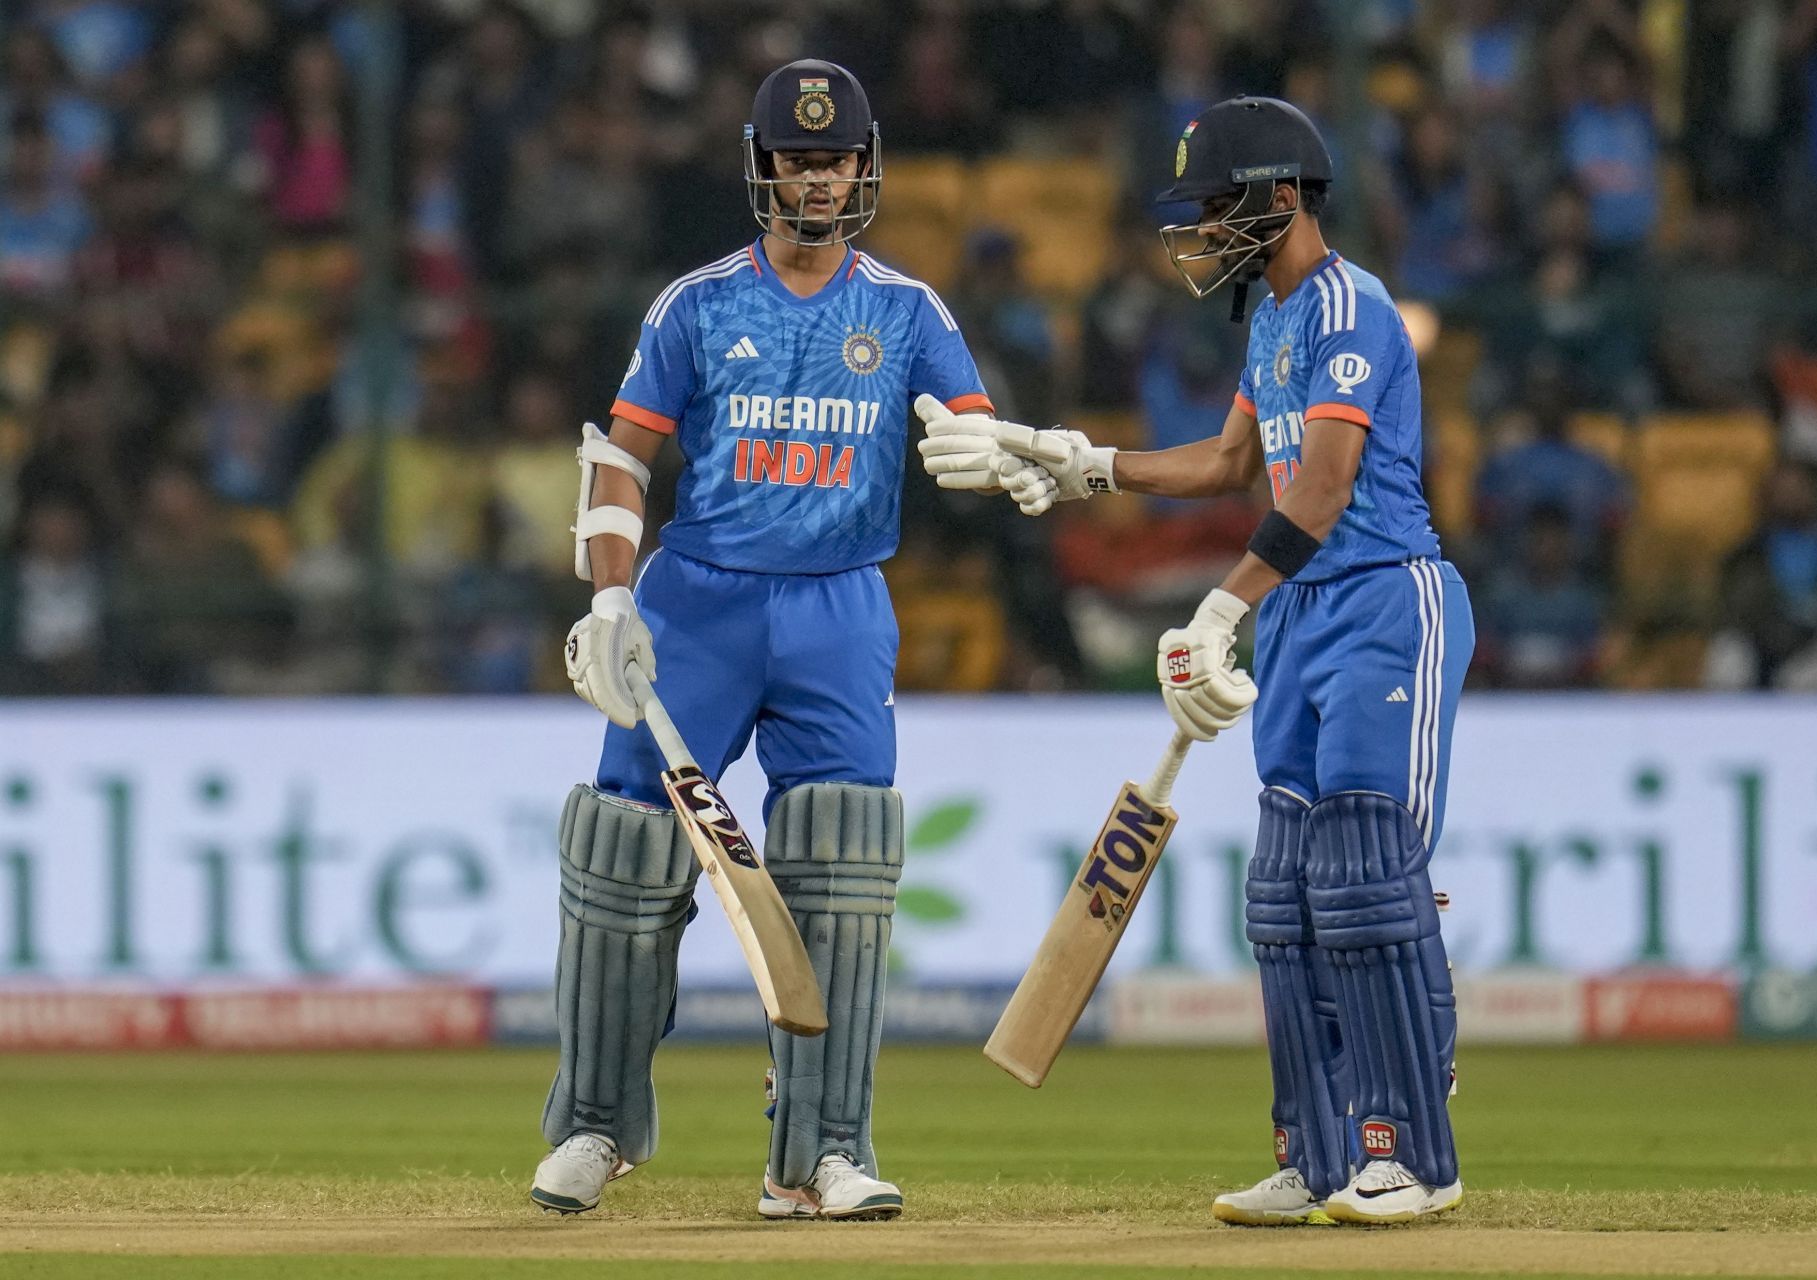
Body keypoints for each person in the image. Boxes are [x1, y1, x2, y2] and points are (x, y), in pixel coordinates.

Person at [927, 97, 1472, 1225]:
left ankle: (1411, 1148)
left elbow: (1316, 489)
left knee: (1367, 874)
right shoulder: (1272, 323)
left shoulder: (1352, 308)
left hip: (1383, 601)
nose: (1202, 228)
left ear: (1283, 198)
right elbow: (1234, 461)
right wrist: (1081, 461)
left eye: (1220, 204)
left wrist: (1220, 606)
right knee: (1284, 898)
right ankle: (1317, 1152)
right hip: (1302, 611)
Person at [530, 59, 995, 1221]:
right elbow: (621, 457)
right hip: (700, 601)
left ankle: (821, 1151)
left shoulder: (904, 308)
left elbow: (977, 432)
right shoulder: (697, 304)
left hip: (839, 603)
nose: (819, 177)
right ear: (763, 167)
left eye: (836, 158)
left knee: (842, 868)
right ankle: (593, 1123)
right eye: (798, 157)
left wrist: (1004, 456)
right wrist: (609, 599)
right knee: (627, 853)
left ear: (863, 166)